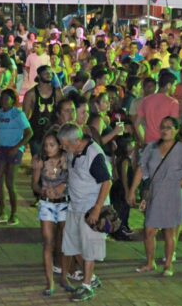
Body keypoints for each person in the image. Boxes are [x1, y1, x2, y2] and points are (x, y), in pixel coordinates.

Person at [128, 116, 182, 276]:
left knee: (170, 231)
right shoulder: (151, 148)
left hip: (173, 193)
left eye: (169, 127)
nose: (165, 130)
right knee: (149, 230)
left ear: (177, 130)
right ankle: (150, 262)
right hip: (155, 193)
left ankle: (168, 264)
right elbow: (141, 169)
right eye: (163, 127)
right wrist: (132, 190)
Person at [57, 123, 111, 302]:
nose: (63, 148)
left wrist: (97, 208)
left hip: (90, 207)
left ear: (77, 141)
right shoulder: (75, 151)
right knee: (71, 244)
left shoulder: (94, 154)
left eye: (65, 145)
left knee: (90, 247)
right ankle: (92, 278)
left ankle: (87, 285)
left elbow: (106, 182)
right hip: (75, 205)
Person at [31, 128, 69, 296]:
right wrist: (43, 191)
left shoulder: (66, 159)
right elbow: (34, 184)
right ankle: (50, 282)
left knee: (65, 243)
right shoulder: (40, 160)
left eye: (52, 145)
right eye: (46, 145)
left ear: (60, 145)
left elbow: (72, 179)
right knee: (48, 243)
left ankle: (64, 277)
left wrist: (63, 186)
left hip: (63, 204)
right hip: (46, 204)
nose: (48, 148)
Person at [0, 89, 32, 225]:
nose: (3, 100)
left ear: (12, 99)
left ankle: (14, 213)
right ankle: (2, 211)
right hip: (3, 148)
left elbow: (29, 133)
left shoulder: (18, 114)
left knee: (10, 182)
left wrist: (17, 147)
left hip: (15, 149)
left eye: (6, 98)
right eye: (2, 98)